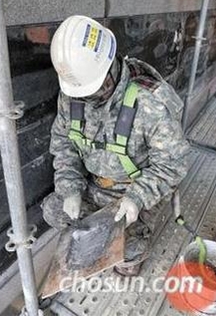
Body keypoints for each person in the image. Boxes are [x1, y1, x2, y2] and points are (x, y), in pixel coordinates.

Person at [41, 15, 190, 276]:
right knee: (54, 209)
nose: (86, 99)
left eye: (93, 90)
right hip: (92, 185)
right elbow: (64, 143)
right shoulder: (74, 91)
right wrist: (70, 188)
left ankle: (133, 235)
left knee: (127, 255)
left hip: (132, 193)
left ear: (110, 67)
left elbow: (172, 164)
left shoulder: (149, 101)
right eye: (81, 93)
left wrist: (137, 198)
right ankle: (100, 235)